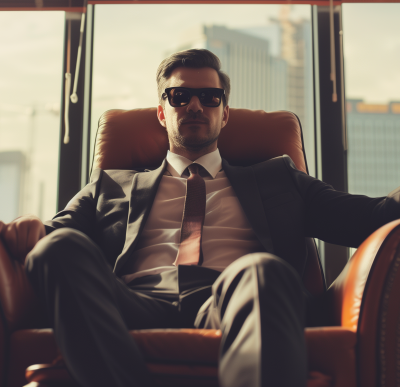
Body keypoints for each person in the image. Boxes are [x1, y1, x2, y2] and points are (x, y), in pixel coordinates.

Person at [1, 49, 400, 387]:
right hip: (132, 302)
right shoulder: (112, 186)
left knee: (261, 269)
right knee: (57, 249)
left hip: (236, 298)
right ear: (162, 111)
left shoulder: (279, 179)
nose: (195, 106)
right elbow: (53, 238)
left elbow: (371, 217)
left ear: (225, 113)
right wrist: (28, 227)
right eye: (179, 96)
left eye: (210, 97)